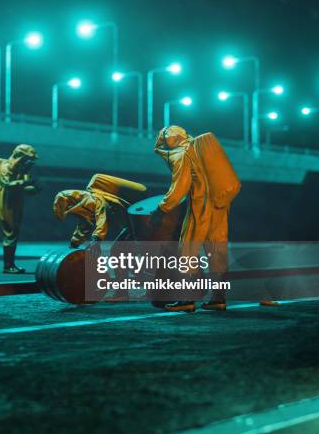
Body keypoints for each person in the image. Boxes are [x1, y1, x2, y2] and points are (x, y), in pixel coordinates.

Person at [151, 126, 241, 312]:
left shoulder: (181, 154)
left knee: (188, 250)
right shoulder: (198, 148)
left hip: (200, 205)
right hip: (219, 203)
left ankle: (186, 299)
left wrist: (162, 208)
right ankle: (218, 299)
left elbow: (179, 188)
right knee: (217, 250)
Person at [0, 144, 40, 274]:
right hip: (6, 204)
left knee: (13, 234)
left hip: (16, 204)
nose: (29, 162)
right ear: (20, 156)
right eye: (26, 158)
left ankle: (10, 264)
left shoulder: (20, 170)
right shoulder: (6, 166)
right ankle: (8, 265)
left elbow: (26, 189)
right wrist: (25, 182)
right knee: (10, 234)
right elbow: (6, 184)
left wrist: (33, 187)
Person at [53, 173, 146, 248]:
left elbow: (102, 218)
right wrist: (75, 242)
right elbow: (85, 224)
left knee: (120, 251)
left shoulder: (94, 199)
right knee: (118, 252)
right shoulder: (85, 205)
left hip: (134, 225)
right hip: (129, 227)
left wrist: (96, 239)